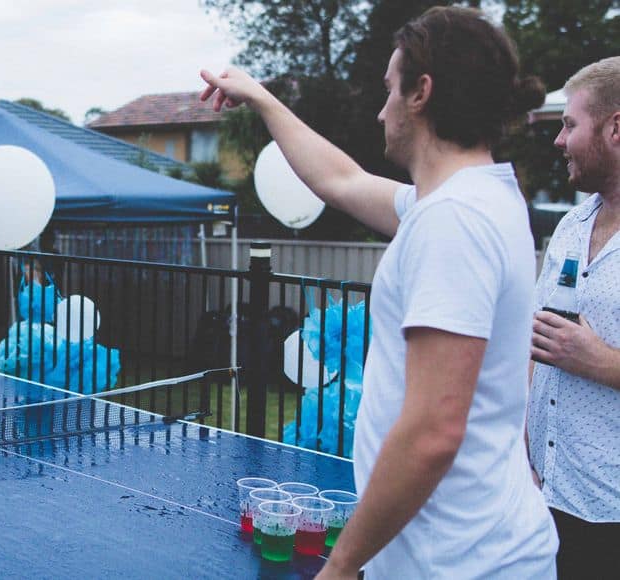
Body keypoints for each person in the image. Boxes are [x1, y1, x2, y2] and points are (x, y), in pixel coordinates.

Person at [201, 6, 556, 578]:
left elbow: (434, 429)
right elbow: (341, 180)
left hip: (461, 563)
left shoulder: (454, 221)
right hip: (461, 553)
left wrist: (342, 565)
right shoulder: (466, 201)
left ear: (422, 93)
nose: (380, 109)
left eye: (390, 89)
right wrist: (263, 99)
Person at [527, 56, 620, 579]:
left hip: (611, 517)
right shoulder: (569, 226)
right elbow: (539, 340)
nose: (559, 140)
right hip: (546, 496)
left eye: (569, 123)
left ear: (614, 127)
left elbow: (577, 353)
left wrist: (600, 361)